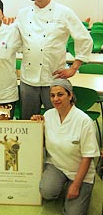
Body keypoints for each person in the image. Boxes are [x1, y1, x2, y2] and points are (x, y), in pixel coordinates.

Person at [15, 0, 93, 119]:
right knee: (28, 122)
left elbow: (85, 39)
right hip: (28, 79)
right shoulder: (23, 14)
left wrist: (74, 67)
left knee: (56, 120)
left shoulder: (64, 12)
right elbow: (11, 38)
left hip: (54, 79)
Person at [31, 79, 100, 215]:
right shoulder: (48, 115)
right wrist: (35, 127)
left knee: (74, 213)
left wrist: (76, 185)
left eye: (60, 94)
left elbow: (87, 157)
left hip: (79, 171)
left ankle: (75, 187)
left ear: (70, 95)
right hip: (56, 165)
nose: (56, 99)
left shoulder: (84, 121)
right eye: (52, 95)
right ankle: (62, 184)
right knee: (47, 192)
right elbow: (42, 144)